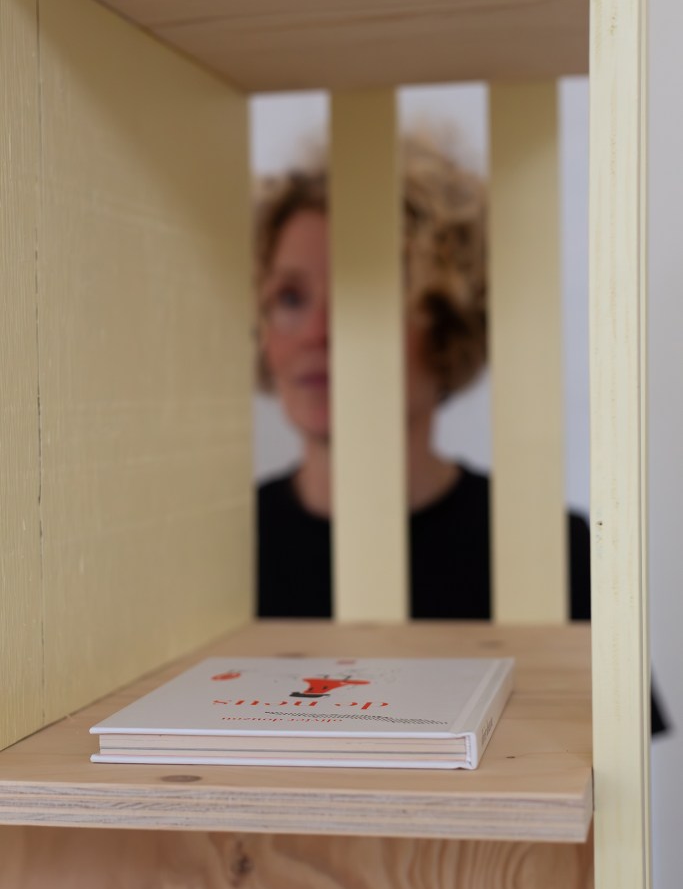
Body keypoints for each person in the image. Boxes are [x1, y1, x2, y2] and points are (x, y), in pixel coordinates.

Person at [253, 134, 667, 732]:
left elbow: (614, 786)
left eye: (366, 294)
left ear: (449, 321)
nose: (318, 331)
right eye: (290, 296)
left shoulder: (556, 552)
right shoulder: (214, 554)